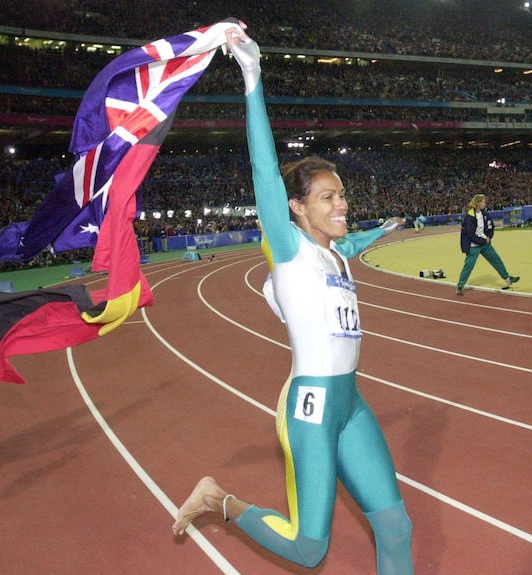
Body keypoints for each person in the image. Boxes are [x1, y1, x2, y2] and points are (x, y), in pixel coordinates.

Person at [173, 25, 414, 575]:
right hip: (311, 406)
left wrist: (382, 229)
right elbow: (264, 171)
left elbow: (350, 240)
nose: (342, 204)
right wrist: (252, 76)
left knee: (396, 527)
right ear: (297, 209)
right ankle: (220, 501)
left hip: (351, 403)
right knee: (310, 549)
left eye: (343, 194)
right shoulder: (290, 251)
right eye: (329, 197)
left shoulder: (336, 254)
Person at [455, 193, 519, 296]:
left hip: (485, 243)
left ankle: (507, 279)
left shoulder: (485, 214)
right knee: (468, 266)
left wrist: (489, 237)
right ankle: (460, 285)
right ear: (478, 203)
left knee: (496, 260)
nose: (485, 203)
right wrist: (483, 241)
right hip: (473, 246)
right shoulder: (469, 216)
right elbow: (470, 234)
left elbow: (490, 227)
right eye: (483, 201)